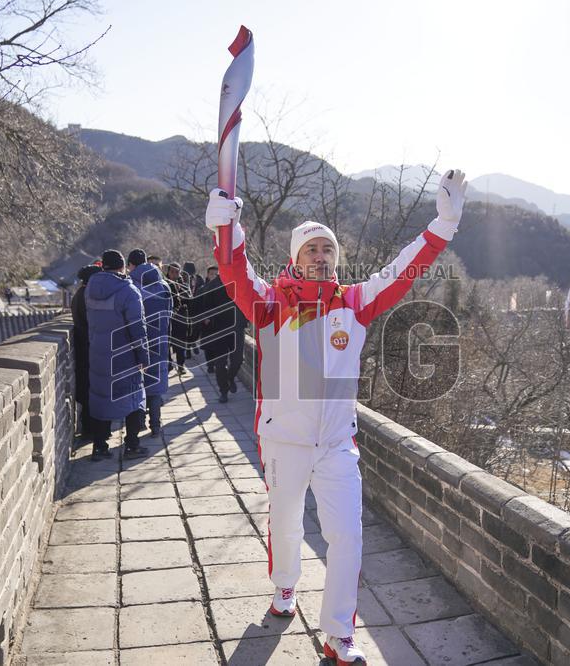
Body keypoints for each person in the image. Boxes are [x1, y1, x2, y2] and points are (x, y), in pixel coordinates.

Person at [205, 169, 469, 665]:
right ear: (295, 259)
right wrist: (227, 231)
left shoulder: (356, 302)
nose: (321, 256)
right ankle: (285, 587)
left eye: (328, 250)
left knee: (346, 536)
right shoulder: (269, 304)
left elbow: (403, 270)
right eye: (311, 250)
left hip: (336, 446)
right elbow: (234, 273)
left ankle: (338, 635)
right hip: (283, 441)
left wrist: (444, 225)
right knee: (284, 525)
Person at [84, 249, 151, 460]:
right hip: (124, 356)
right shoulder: (128, 292)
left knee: (102, 398)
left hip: (97, 354)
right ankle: (132, 445)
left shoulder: (90, 289)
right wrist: (144, 357)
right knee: (134, 398)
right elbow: (138, 328)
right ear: (123, 266)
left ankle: (99, 446)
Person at [128, 248, 172, 438]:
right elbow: (170, 315)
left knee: (137, 385)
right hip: (160, 341)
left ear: (132, 265)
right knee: (155, 385)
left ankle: (139, 424)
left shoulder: (131, 286)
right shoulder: (164, 286)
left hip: (138, 343)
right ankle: (156, 425)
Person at [198, 267, 247, 403]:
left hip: (237, 327)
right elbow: (204, 304)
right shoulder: (213, 285)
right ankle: (223, 391)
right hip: (219, 329)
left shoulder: (242, 283)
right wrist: (207, 317)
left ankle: (230, 378)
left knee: (238, 360)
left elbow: (250, 302)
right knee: (220, 364)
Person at [70, 264, 102, 439]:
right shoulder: (85, 297)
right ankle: (90, 430)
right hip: (87, 348)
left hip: (85, 348)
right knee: (90, 391)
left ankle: (89, 427)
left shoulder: (81, 295)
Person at [165, 262, 192, 375]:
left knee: (181, 344)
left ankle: (181, 365)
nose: (174, 274)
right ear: (168, 272)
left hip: (181, 318)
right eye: (172, 272)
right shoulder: (164, 284)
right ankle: (169, 363)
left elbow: (190, 299)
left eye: (177, 272)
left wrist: (180, 293)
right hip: (168, 318)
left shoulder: (184, 285)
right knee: (167, 343)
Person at [198, 265, 221, 374]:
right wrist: (203, 317)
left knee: (219, 345)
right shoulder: (202, 289)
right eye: (211, 274)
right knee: (208, 346)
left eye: (216, 274)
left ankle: (218, 364)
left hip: (219, 321)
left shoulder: (223, 288)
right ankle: (210, 365)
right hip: (206, 322)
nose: (213, 276)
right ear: (207, 275)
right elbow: (197, 305)